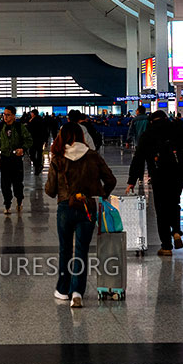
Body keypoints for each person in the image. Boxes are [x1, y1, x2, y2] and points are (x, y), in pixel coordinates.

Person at [45, 122, 117, 308]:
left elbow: (50, 190)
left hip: (65, 207)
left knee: (65, 249)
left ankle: (63, 290)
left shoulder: (58, 158)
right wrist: (101, 195)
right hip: (88, 207)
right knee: (81, 250)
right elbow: (111, 180)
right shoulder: (93, 155)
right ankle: (77, 292)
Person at [127, 110, 183, 256]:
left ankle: (166, 246)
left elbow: (139, 158)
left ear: (151, 121)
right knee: (174, 203)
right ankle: (176, 231)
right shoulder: (177, 128)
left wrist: (132, 180)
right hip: (178, 173)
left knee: (161, 210)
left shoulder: (148, 133)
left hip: (159, 174)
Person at [0, 106, 33, 215]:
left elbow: (29, 140)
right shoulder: (1, 126)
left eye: (8, 115)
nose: (5, 117)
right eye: (4, 114)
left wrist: (23, 149)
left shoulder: (19, 127)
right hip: (5, 158)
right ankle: (7, 204)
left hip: (16, 158)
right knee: (5, 183)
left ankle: (19, 200)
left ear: (14, 116)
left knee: (17, 182)